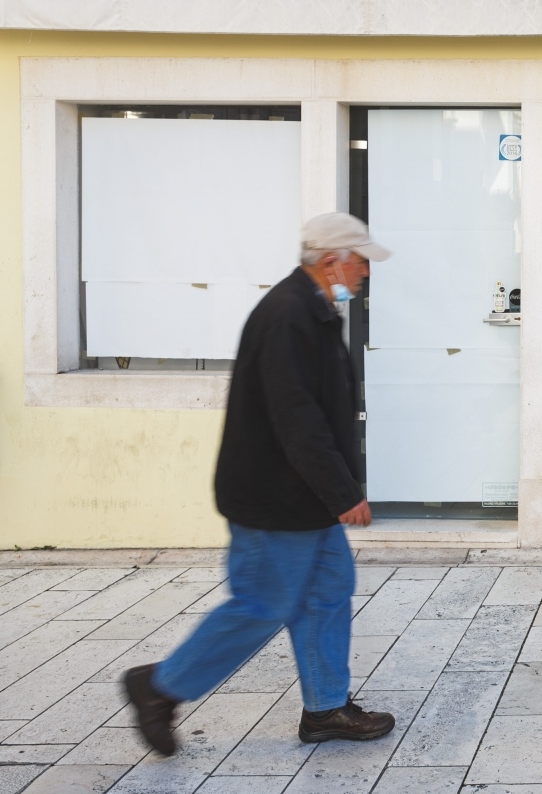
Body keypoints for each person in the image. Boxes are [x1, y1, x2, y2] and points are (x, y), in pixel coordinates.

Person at [124, 213, 396, 754]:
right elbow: (297, 419)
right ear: (329, 261)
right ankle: (158, 687)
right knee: (263, 604)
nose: (366, 270)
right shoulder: (288, 317)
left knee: (327, 592)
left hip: (304, 498)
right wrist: (344, 493)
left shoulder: (315, 309)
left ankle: (326, 708)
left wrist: (336, 489)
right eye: (360, 258)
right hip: (275, 498)